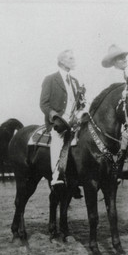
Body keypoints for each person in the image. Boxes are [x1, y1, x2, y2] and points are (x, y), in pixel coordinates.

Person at [40, 49, 86, 196]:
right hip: (58, 122)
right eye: (71, 59)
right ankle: (56, 177)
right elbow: (44, 103)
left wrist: (82, 103)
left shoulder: (75, 81)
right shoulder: (50, 79)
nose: (74, 61)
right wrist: (54, 117)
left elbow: (77, 104)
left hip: (74, 121)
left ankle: (76, 178)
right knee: (57, 142)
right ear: (62, 61)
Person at [101, 44, 128, 179]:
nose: (125, 59)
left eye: (125, 57)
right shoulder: (111, 77)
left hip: (125, 113)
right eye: (121, 58)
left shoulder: (126, 75)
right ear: (114, 61)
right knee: (125, 136)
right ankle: (118, 168)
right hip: (113, 116)